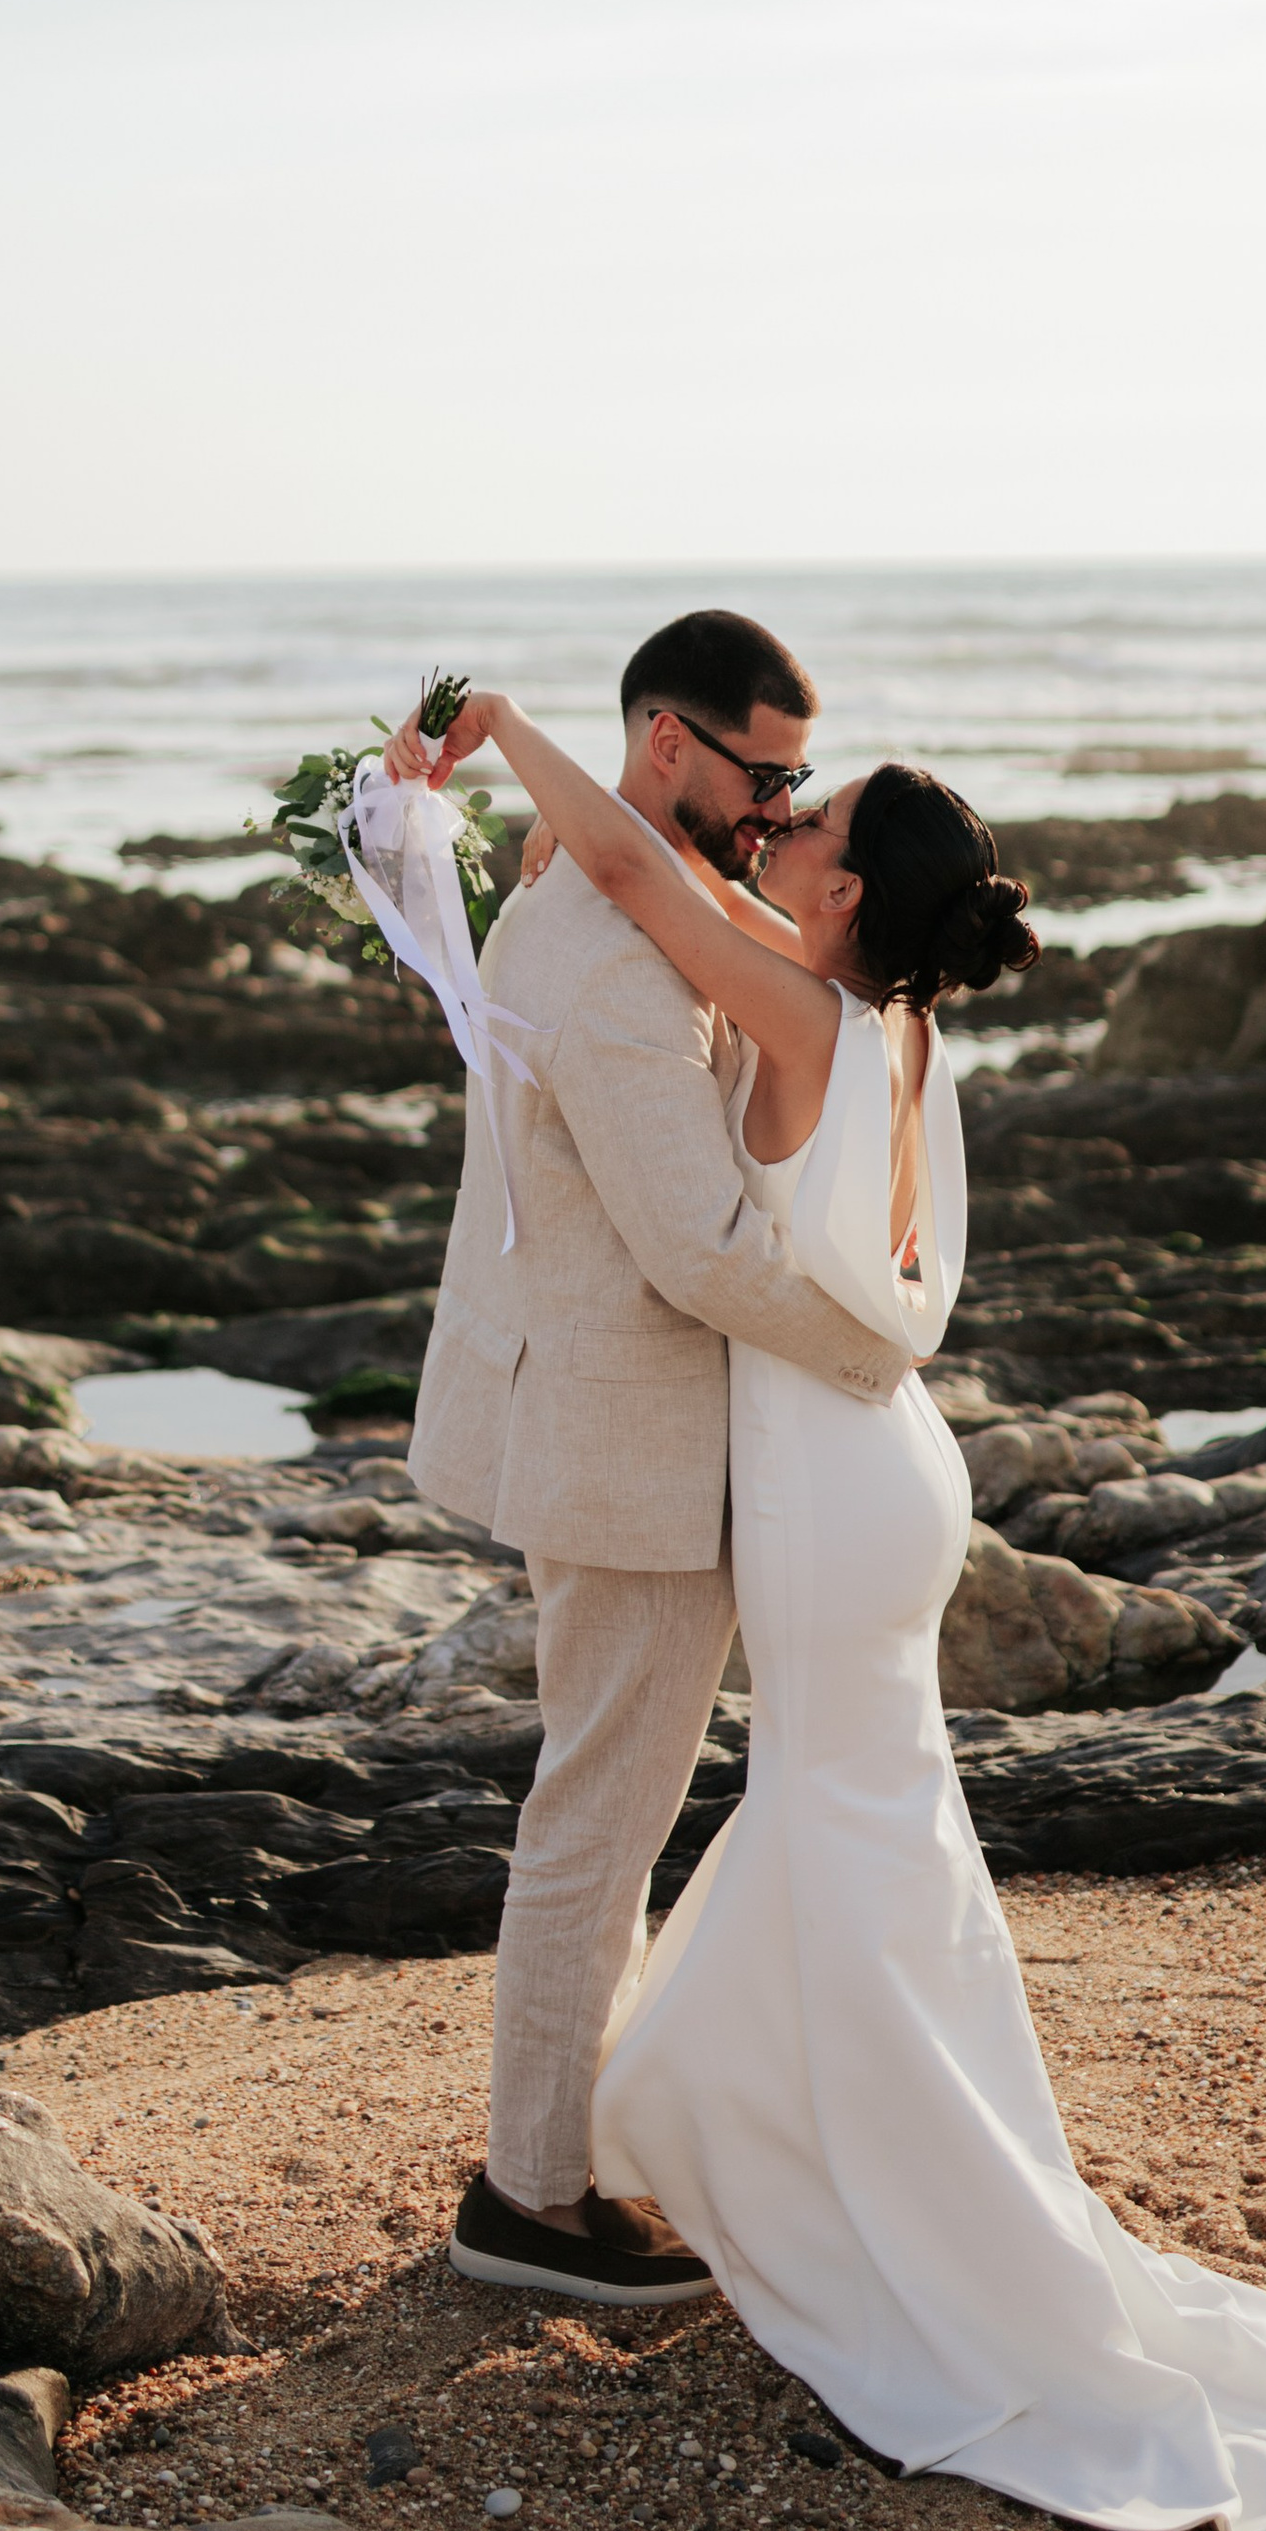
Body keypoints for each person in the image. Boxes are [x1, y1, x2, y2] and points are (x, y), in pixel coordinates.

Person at [393, 679, 1266, 2531]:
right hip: (894, 1475)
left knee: (843, 1835)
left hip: (828, 1461)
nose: (775, 830)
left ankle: (886, 2225)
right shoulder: (905, 1033)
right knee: (865, 1826)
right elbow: (608, 880)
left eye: (808, 822)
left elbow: (627, 853)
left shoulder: (796, 1002)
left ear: (847, 897)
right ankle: (819, 2171)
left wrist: (501, 719)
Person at [397, 612, 918, 2307]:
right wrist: (878, 1358)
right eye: (766, 773)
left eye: (800, 779)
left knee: (608, 1801)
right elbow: (695, 1250)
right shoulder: (618, 970)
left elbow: (707, 908)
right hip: (623, 1445)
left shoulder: (628, 902)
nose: (784, 806)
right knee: (598, 1816)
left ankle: (565, 2154)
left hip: (625, 1420)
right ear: (672, 746)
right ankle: (528, 2200)